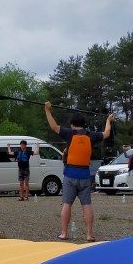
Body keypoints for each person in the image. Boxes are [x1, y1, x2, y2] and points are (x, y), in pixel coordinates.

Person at [44, 102, 114, 242]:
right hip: (85, 176)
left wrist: (47, 110)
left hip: (70, 175)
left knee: (67, 204)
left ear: (72, 124)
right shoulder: (91, 135)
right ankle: (89, 235)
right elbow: (106, 133)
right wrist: (108, 120)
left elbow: (53, 126)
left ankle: (64, 233)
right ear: (83, 124)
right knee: (86, 205)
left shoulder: (69, 133)